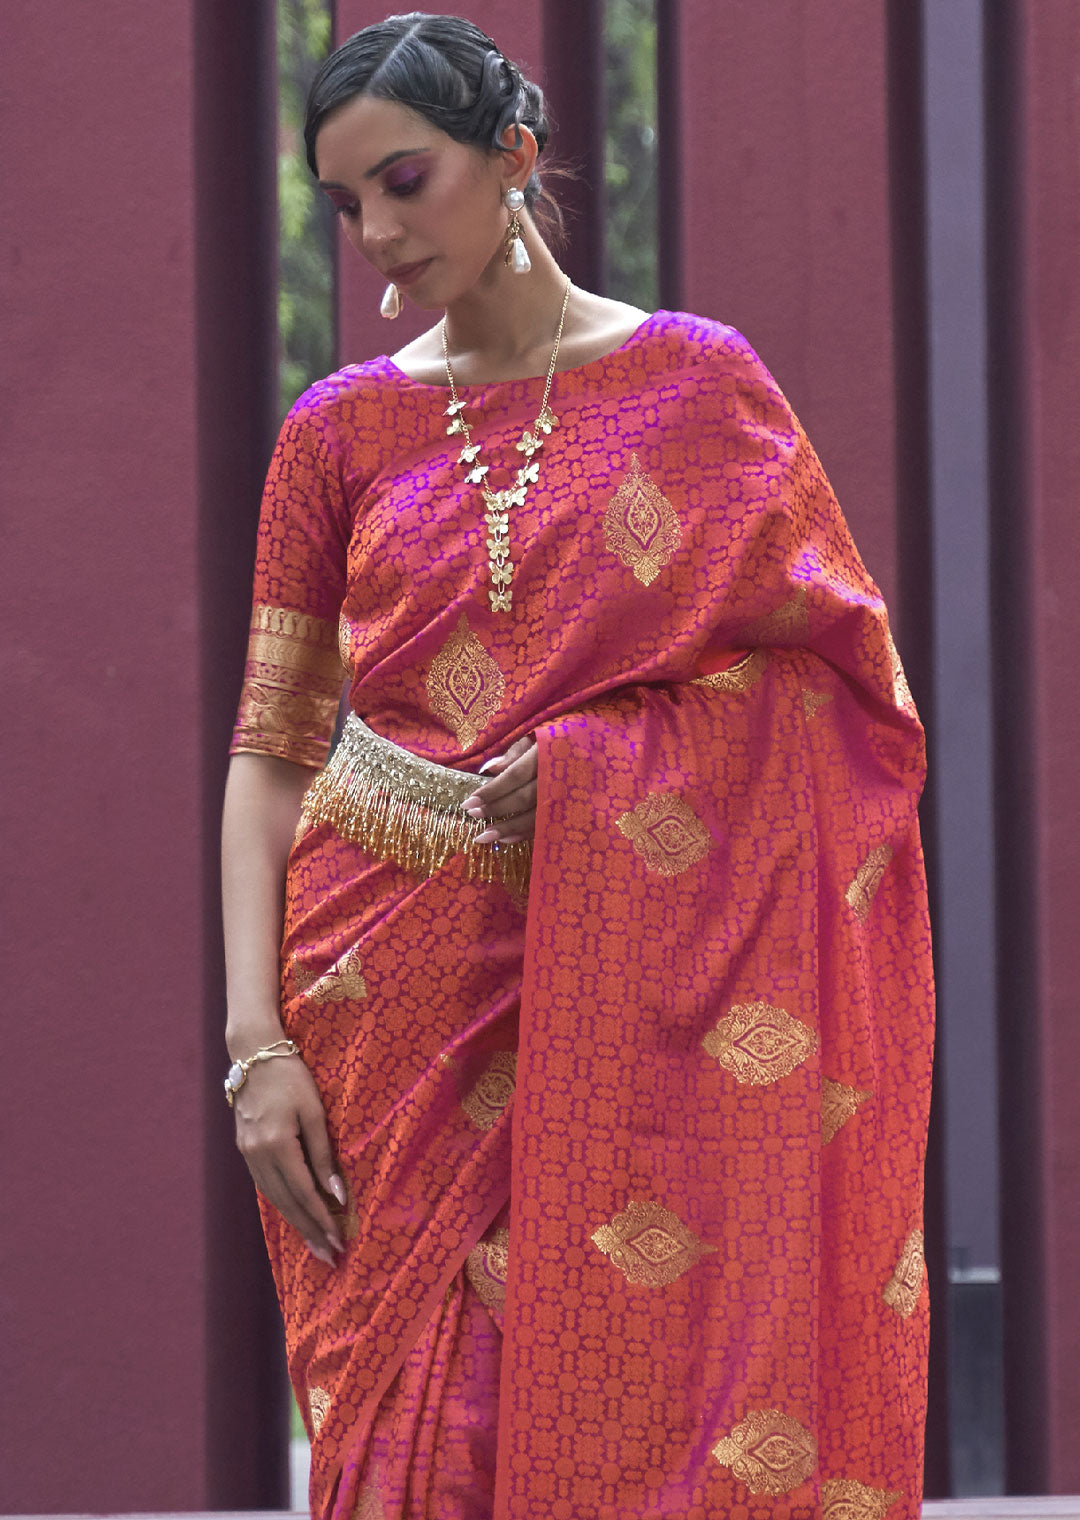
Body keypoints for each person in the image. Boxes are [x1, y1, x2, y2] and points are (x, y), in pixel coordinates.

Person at [221, 12, 935, 1520]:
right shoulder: (335, 433)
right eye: (346, 204)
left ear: (519, 160)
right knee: (421, 1430)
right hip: (380, 1003)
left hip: (642, 983)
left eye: (404, 182)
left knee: (629, 1398)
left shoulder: (703, 389)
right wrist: (255, 1048)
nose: (373, 234)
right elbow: (272, 754)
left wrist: (617, 770)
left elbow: (841, 695)